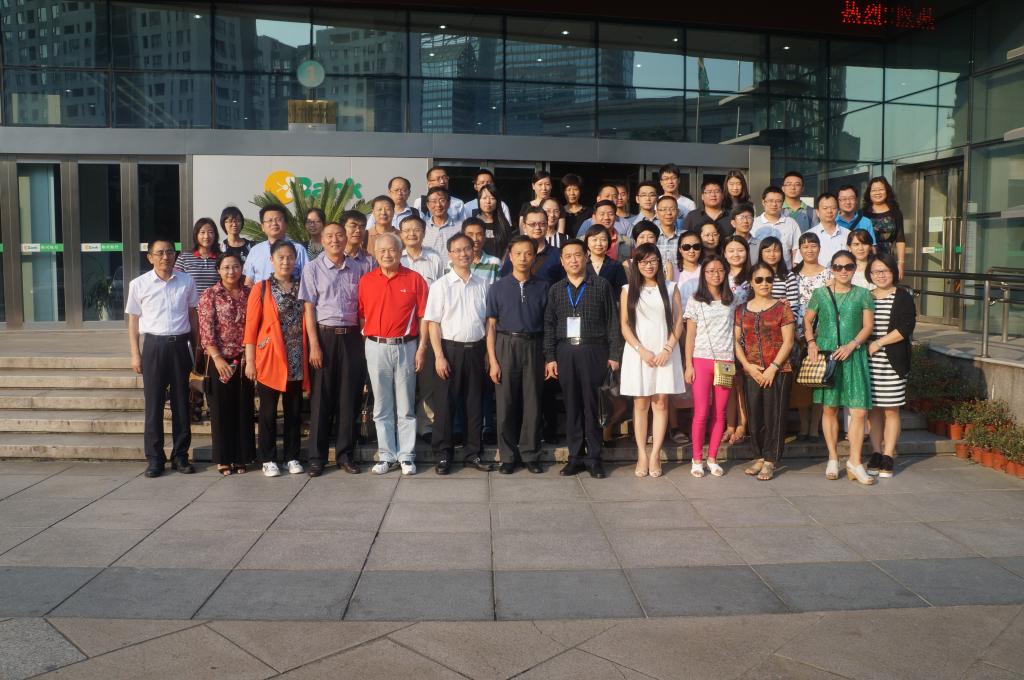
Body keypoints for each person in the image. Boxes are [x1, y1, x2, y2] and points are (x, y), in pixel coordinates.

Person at [544, 239, 623, 478]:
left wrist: (614, 354)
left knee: (593, 404)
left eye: (577, 255)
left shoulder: (601, 285)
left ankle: (595, 458)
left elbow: (612, 321)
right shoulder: (556, 289)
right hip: (566, 351)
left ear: (586, 257)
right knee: (572, 405)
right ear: (562, 261)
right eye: (568, 256)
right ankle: (575, 457)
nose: (573, 260)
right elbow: (549, 325)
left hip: (594, 350)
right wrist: (550, 357)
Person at [126, 239, 199, 478]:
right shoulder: (139, 284)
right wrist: (135, 353)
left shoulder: (187, 281)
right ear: (150, 257)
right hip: (153, 347)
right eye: (160, 253)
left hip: (180, 347)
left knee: (182, 405)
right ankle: (155, 459)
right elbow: (133, 321)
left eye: (169, 252)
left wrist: (197, 348)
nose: (165, 256)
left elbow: (193, 315)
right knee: (154, 406)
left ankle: (180, 456)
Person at [359, 232, 429, 475]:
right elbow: (361, 314)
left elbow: (424, 317)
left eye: (392, 250)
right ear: (375, 254)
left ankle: (407, 455)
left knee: (405, 405)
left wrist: (421, 348)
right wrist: (370, 342)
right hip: (376, 346)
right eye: (382, 251)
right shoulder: (366, 280)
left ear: (401, 252)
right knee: (381, 405)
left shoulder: (415, 279)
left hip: (406, 346)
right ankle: (386, 455)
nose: (387, 254)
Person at [804, 250, 876, 485]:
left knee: (859, 411)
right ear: (831, 269)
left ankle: (855, 461)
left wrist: (853, 344)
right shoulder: (820, 293)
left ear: (855, 268)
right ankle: (833, 458)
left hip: (854, 355)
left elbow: (868, 326)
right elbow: (807, 319)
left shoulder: (863, 294)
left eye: (848, 267)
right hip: (828, 356)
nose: (843, 271)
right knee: (829, 409)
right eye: (837, 267)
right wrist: (811, 342)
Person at [424, 233, 493, 475]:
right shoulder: (440, 286)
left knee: (475, 404)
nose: (463, 254)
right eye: (458, 250)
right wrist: (439, 356)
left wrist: (488, 353)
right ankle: (443, 454)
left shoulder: (483, 284)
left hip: (476, 350)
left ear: (474, 252)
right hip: (449, 351)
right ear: (450, 255)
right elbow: (433, 323)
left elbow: (488, 322)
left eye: (467, 249)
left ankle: (473, 453)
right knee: (445, 405)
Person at [300, 222, 365, 477]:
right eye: (329, 236)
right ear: (322, 240)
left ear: (346, 238)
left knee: (349, 398)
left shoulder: (358, 268)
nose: (335, 239)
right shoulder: (312, 268)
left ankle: (345, 455)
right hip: (324, 337)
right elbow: (309, 310)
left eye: (339, 235)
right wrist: (314, 345)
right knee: (321, 399)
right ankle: (316, 458)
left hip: (352, 338)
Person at [619, 243, 685, 478]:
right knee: (640, 404)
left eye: (653, 261)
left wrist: (668, 348)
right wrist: (641, 350)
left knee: (661, 403)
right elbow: (625, 325)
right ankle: (641, 453)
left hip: (665, 351)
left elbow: (678, 321)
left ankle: (655, 453)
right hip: (639, 353)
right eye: (643, 261)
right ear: (636, 264)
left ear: (659, 262)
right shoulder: (628, 289)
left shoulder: (671, 287)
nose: (649, 266)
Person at [244, 240, 308, 478]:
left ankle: (292, 456)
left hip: (296, 357)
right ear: (271, 260)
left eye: (290, 257)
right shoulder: (261, 288)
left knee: (294, 411)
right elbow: (251, 328)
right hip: (270, 357)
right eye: (281, 257)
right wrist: (250, 361)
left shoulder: (302, 286)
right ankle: (268, 458)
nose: (286, 261)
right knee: (268, 412)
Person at [486, 235, 549, 474]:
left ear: (534, 257)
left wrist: (548, 357)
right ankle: (508, 456)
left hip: (534, 345)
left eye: (528, 253)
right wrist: (493, 360)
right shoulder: (497, 287)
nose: (523, 258)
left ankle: (531, 454)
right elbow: (491, 326)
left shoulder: (544, 286)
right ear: (510, 257)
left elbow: (549, 325)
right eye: (518, 253)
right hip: (505, 344)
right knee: (506, 403)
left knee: (533, 403)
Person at [734, 262, 796, 481]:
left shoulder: (782, 307)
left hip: (778, 370)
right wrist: (747, 366)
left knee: (774, 416)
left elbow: (789, 341)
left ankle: (771, 460)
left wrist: (773, 368)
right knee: (755, 415)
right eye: (759, 279)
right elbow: (736, 341)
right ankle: (759, 456)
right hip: (752, 370)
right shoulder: (741, 310)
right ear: (751, 282)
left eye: (769, 279)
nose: (764, 284)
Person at [198, 252, 254, 475]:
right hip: (219, 360)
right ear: (218, 270)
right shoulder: (210, 294)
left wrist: (250, 356)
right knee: (221, 410)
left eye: (236, 266)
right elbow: (206, 330)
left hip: (245, 359)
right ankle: (223, 458)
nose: (231, 271)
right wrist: (217, 358)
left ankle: (242, 457)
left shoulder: (250, 293)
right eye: (226, 267)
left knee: (243, 407)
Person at [683, 254, 735, 478]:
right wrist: (688, 365)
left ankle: (712, 457)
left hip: (726, 361)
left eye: (720, 270)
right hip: (701, 359)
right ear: (703, 274)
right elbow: (690, 335)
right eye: (711, 271)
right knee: (702, 411)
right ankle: (697, 459)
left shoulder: (733, 299)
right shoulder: (695, 300)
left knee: (720, 412)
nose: (716, 274)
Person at [865, 253, 916, 478]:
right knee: (873, 410)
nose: (880, 275)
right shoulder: (866, 297)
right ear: (870, 274)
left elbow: (906, 327)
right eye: (876, 271)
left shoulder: (903, 296)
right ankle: (876, 452)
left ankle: (888, 455)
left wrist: (878, 343)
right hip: (868, 361)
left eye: (884, 270)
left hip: (892, 362)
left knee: (891, 409)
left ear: (893, 272)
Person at [793, 232, 829, 444]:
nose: (809, 250)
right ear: (799, 250)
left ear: (819, 248)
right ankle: (803, 425)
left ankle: (815, 427)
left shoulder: (828, 274)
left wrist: (817, 334)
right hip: (796, 335)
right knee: (801, 383)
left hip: (821, 335)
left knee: (818, 381)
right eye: (805, 246)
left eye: (813, 245)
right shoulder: (793, 275)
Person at [722, 234, 752, 444]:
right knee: (728, 381)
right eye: (731, 250)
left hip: (748, 336)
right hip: (724, 335)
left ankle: (743, 424)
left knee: (742, 383)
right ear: (724, 254)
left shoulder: (753, 276)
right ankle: (729, 425)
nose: (735, 254)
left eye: (740, 250)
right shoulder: (720, 275)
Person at [243, 204, 309, 285]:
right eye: (269, 220)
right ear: (262, 227)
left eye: (278, 219)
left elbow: (307, 279)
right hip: (261, 293)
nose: (274, 223)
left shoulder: (298, 249)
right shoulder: (255, 251)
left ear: (286, 224)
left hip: (292, 292)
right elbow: (249, 282)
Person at [501, 207, 564, 283]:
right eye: (532, 224)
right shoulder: (514, 252)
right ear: (524, 226)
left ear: (547, 226)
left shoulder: (557, 254)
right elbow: (505, 280)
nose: (537, 227)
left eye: (542, 224)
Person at [863, 176, 907, 278]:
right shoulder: (863, 213)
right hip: (866, 260)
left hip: (888, 259)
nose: (877, 193)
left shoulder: (895, 212)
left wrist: (901, 263)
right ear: (869, 193)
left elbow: (900, 239)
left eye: (881, 189)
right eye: (874, 190)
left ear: (887, 191)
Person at [750, 186, 800, 268]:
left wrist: (794, 271)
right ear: (763, 202)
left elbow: (796, 251)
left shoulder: (791, 223)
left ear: (783, 203)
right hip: (759, 271)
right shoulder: (754, 223)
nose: (774, 204)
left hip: (785, 272)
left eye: (778, 201)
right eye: (770, 201)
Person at [445, 218, 501, 286]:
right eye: (470, 234)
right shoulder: (452, 264)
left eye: (479, 234)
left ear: (484, 237)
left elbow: (499, 290)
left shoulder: (494, 263)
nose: (475, 239)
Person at [757, 237, 800, 320]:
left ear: (781, 253)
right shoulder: (755, 275)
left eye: (776, 251)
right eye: (768, 251)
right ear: (761, 253)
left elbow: (794, 306)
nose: (772, 254)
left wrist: (788, 322)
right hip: (758, 320)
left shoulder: (788, 276)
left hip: (781, 321)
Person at [803, 193, 851, 267]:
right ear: (817, 212)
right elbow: (800, 262)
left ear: (838, 211)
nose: (829, 211)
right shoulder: (807, 236)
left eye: (833, 208)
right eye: (825, 208)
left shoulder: (848, 234)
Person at [174, 218, 221, 293]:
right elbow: (175, 281)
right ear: (196, 235)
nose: (206, 236)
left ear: (215, 235)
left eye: (210, 232)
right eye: (202, 232)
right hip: (191, 300)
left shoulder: (221, 258)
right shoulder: (184, 257)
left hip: (216, 300)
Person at [399, 214, 445, 285]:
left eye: (416, 230)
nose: (412, 234)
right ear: (401, 234)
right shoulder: (397, 259)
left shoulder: (435, 259)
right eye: (407, 230)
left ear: (424, 233)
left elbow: (441, 286)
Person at [475, 183, 515, 258]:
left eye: (492, 198)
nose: (488, 201)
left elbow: (509, 248)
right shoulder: (474, 223)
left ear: (497, 201)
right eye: (484, 198)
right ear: (479, 200)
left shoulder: (503, 223)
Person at [584, 224, 627, 291]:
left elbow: (622, 291)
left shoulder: (616, 265)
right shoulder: (581, 265)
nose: (599, 243)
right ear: (587, 243)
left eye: (603, 239)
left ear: (608, 242)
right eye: (594, 240)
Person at [422, 187, 462, 254]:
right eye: (434, 201)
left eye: (442, 200)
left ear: (449, 203)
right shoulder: (422, 228)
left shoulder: (460, 227)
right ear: (428, 205)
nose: (438, 205)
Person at [340, 211, 375, 277]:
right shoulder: (330, 258)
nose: (358, 230)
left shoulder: (370, 261)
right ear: (342, 228)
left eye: (362, 227)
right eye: (353, 226)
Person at [653, 195, 681, 274]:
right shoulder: (650, 237)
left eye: (672, 209)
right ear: (656, 213)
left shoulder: (685, 237)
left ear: (678, 212)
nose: (668, 213)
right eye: (663, 209)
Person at [561, 173, 591, 239]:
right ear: (564, 192)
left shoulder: (589, 212)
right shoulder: (559, 211)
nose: (572, 193)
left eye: (575, 189)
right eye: (568, 190)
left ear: (580, 191)